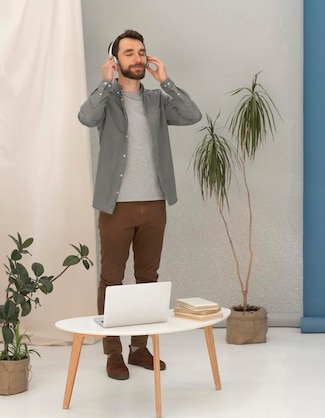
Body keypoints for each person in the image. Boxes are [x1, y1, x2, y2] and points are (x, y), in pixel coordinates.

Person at [78, 29, 202, 380]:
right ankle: (112, 351)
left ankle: (139, 348)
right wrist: (105, 84)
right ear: (115, 61)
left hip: (155, 203)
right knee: (112, 279)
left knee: (148, 278)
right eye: (129, 53)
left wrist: (167, 81)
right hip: (116, 206)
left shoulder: (158, 101)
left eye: (142, 52)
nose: (138, 58)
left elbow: (192, 115)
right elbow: (86, 118)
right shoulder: (107, 100)